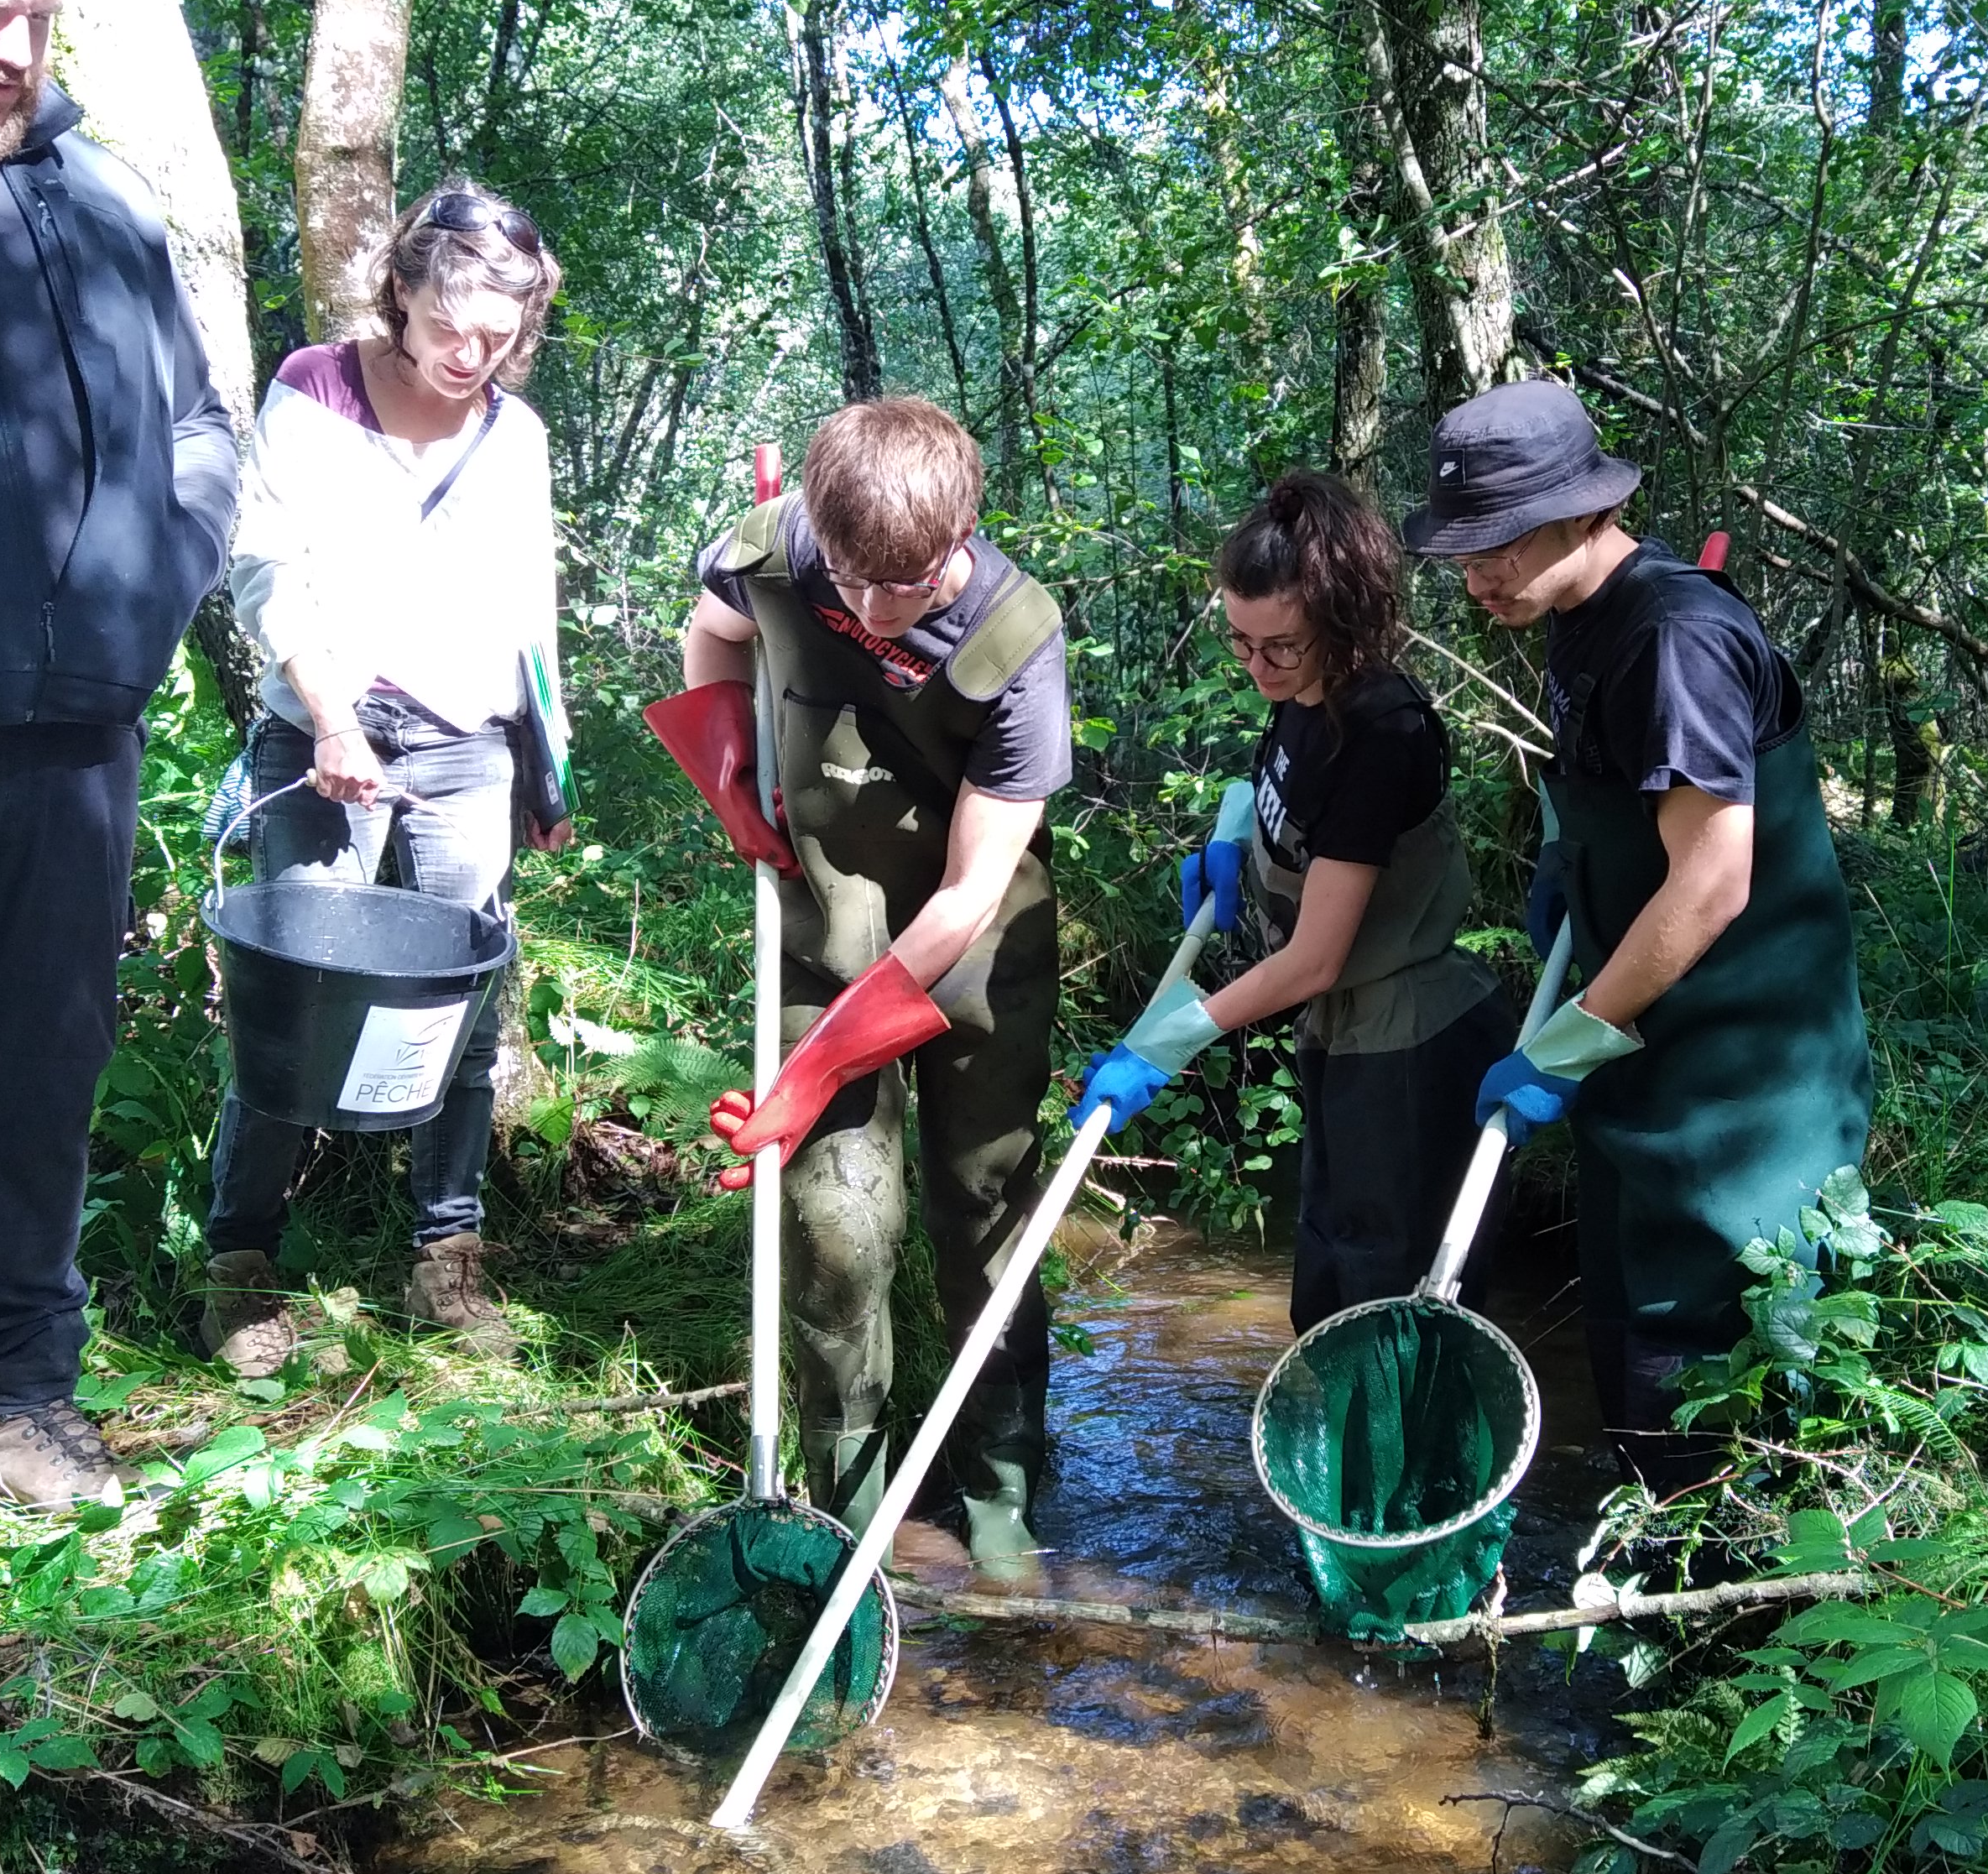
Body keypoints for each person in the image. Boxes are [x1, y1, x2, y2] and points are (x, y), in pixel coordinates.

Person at [0, 0, 240, 1511]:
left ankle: (13, 1393)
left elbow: (198, 424)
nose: (13, 49)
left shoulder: (104, 201)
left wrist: (147, 594)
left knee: (42, 1069)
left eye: (39, 15)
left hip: (77, 726)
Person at [1405, 376, 1871, 1483]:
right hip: (1643, 1056)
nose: (1478, 573)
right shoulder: (1578, 618)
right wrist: (1579, 873)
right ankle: (1667, 1597)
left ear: (1585, 511)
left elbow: (1711, 884)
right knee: (1632, 1351)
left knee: (1730, 1373)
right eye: (1461, 550)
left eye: (1502, 542)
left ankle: (1755, 1625)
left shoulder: (1676, 639)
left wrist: (1563, 1044)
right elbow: (1637, 810)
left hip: (1745, 1085)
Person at [679, 398, 1070, 1575]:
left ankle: (998, 1490)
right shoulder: (780, 544)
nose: (869, 608)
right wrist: (725, 767)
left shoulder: (1017, 636)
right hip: (823, 917)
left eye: (904, 585)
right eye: (849, 579)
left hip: (973, 939)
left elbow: (965, 898)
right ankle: (851, 1510)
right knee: (838, 1223)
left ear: (963, 530)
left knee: (982, 1206)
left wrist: (813, 1071)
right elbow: (714, 629)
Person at [197, 182, 571, 1374]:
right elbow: (266, 567)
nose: (473, 357)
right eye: (453, 327)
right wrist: (331, 718)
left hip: (465, 747)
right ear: (403, 289)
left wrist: (543, 770)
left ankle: (444, 1263)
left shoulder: (515, 437)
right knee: (288, 1005)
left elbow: (529, 616)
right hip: (322, 743)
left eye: (500, 337)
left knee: (465, 999)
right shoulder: (315, 386)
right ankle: (240, 1268)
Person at [1072, 472, 1514, 1331]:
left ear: (1341, 622)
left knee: (1391, 1304)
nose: (1257, 667)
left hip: (1410, 1050)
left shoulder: (1382, 730)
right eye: (1238, 642)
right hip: (1343, 1042)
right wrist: (1233, 838)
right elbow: (1275, 790)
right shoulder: (1300, 697)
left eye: (1280, 646)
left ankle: (1404, 1470)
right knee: (1325, 1286)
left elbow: (1314, 960)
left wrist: (1162, 1045)